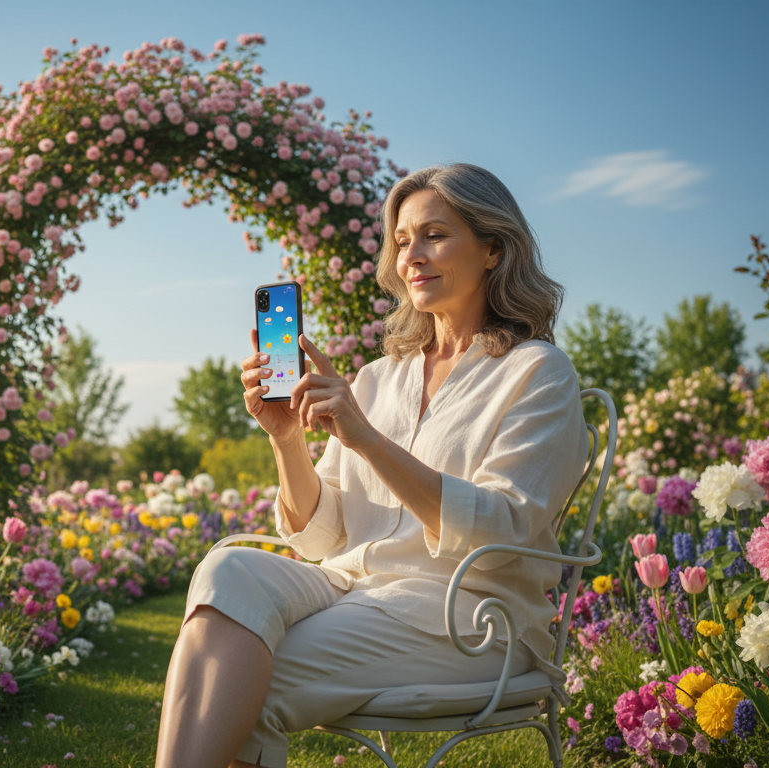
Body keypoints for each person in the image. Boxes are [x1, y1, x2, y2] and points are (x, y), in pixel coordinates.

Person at [154, 163, 589, 768]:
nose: (413, 254)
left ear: (493, 248)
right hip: (348, 589)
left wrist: (366, 439)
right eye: (403, 240)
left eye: (435, 235)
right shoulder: (378, 378)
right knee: (230, 572)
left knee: (239, 680)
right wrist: (285, 439)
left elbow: (505, 526)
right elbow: (322, 534)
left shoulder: (536, 372)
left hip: (465, 617)